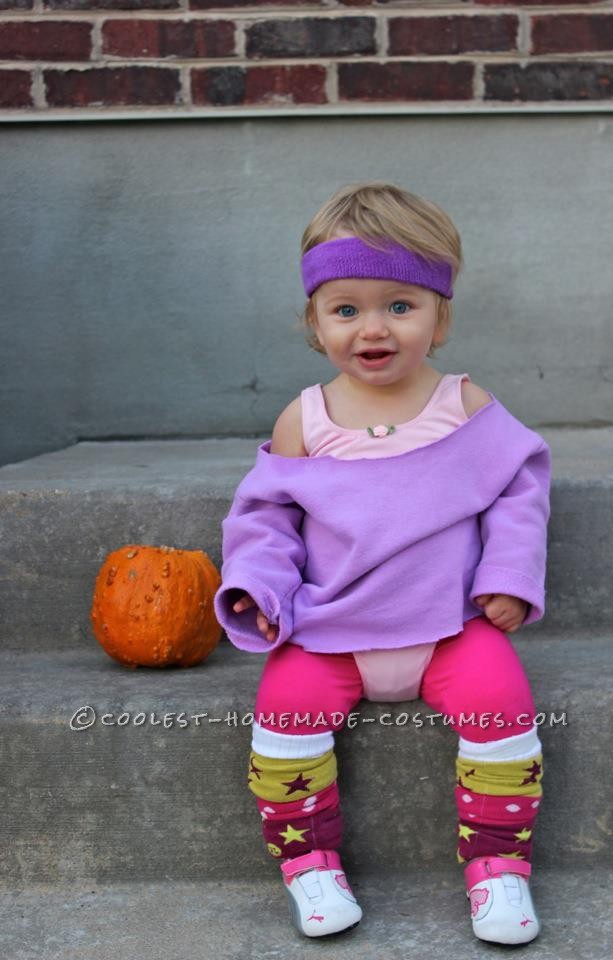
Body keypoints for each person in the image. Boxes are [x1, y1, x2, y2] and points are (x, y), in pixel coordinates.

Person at [214, 181, 551, 945]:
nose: (374, 328)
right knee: (283, 725)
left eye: (401, 306)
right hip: (331, 629)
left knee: (503, 715)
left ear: (440, 316)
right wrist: (261, 589)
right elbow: (266, 520)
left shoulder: (464, 407)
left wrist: (507, 577)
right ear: (315, 319)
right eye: (346, 309)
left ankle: (499, 872)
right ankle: (310, 866)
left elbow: (519, 495)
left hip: (450, 626)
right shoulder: (306, 419)